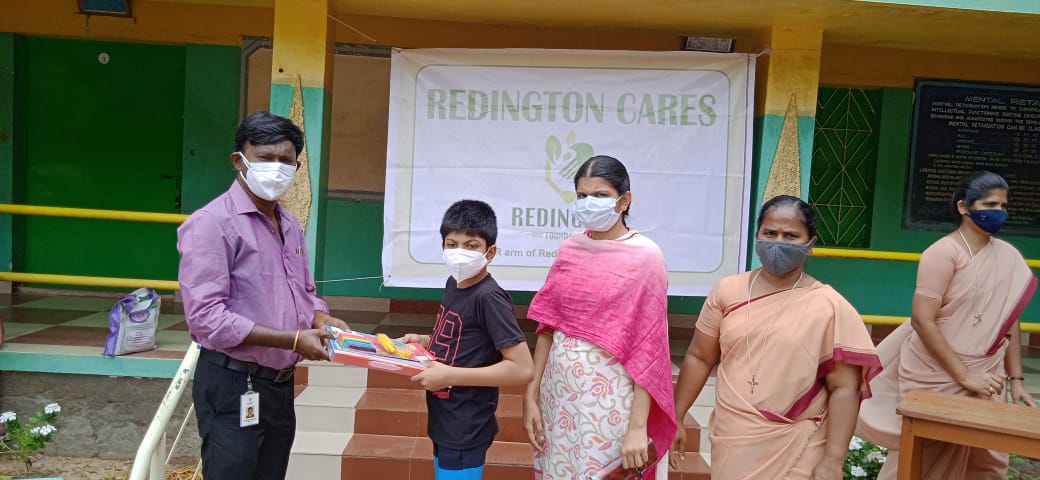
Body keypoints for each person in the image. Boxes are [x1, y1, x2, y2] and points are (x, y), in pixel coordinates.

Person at [178, 111, 349, 480]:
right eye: (265, 158)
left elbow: (303, 291)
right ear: (239, 160)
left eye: (285, 161)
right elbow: (206, 318)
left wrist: (319, 316)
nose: (276, 168)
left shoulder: (288, 223)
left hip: (278, 385)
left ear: (297, 166)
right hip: (232, 382)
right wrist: (294, 339)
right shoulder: (212, 224)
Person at [671, 194, 882, 479]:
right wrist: (677, 416)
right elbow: (699, 356)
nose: (778, 242)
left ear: (810, 245)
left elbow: (845, 388)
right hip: (734, 438)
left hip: (799, 442)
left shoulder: (829, 306)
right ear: (756, 235)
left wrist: (833, 460)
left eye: (791, 235)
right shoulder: (728, 291)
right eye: (770, 233)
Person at [856, 171, 1037, 480]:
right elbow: (922, 320)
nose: (999, 212)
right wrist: (964, 375)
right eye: (990, 204)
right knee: (920, 455)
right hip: (934, 373)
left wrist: (1016, 379)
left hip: (988, 373)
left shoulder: (1008, 256)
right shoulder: (943, 253)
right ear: (964, 207)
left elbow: (1010, 322)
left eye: (1004, 206)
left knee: (987, 461)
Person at [522, 155, 677, 480]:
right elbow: (547, 328)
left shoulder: (646, 257)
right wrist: (531, 395)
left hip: (609, 404)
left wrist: (637, 428)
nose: (589, 203)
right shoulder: (570, 249)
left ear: (624, 200)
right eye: (582, 196)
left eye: (600, 195)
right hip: (558, 400)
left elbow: (649, 350)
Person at [399, 199, 534, 480]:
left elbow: (522, 368)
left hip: (466, 424)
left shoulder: (489, 298)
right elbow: (462, 337)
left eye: (471, 246)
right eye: (452, 244)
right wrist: (424, 340)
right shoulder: (454, 283)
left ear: (490, 252)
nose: (459, 252)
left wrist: (450, 374)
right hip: (445, 418)